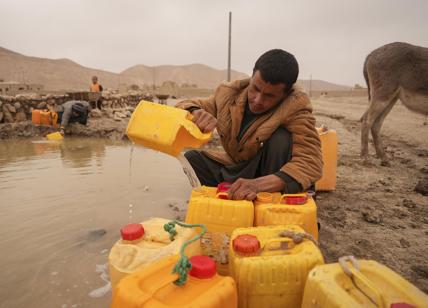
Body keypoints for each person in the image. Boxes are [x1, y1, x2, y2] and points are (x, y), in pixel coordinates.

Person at [175, 49, 323, 200]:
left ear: (285, 93)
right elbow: (183, 105)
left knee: (281, 139)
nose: (258, 100)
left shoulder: (296, 108)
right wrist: (194, 112)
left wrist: (258, 185)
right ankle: (230, 201)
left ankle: (266, 205)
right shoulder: (228, 94)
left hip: (270, 176)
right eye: (255, 89)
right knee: (192, 159)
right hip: (239, 169)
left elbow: (311, 162)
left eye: (269, 96)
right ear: (252, 76)